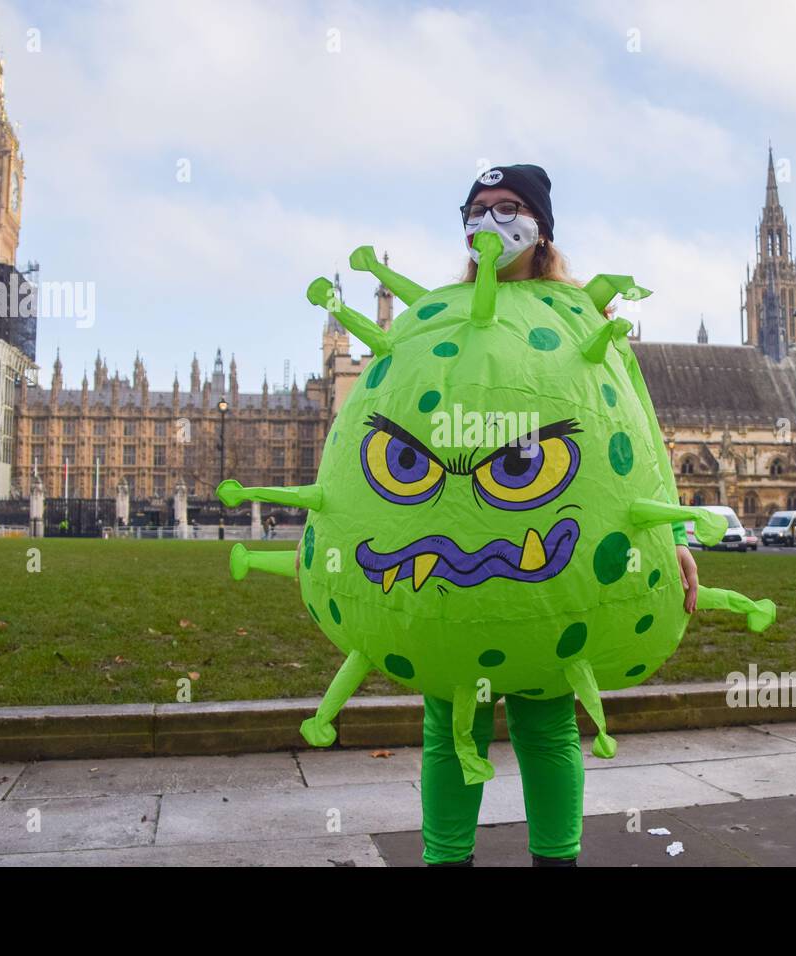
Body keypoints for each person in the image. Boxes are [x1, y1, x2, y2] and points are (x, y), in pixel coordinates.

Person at [296, 164, 699, 867]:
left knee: (547, 728)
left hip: (549, 569)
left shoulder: (584, 316)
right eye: (475, 209)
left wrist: (675, 537)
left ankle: (557, 860)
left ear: (540, 224)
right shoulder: (442, 312)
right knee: (452, 729)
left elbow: (633, 438)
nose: (489, 222)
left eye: (506, 207)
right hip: (447, 567)